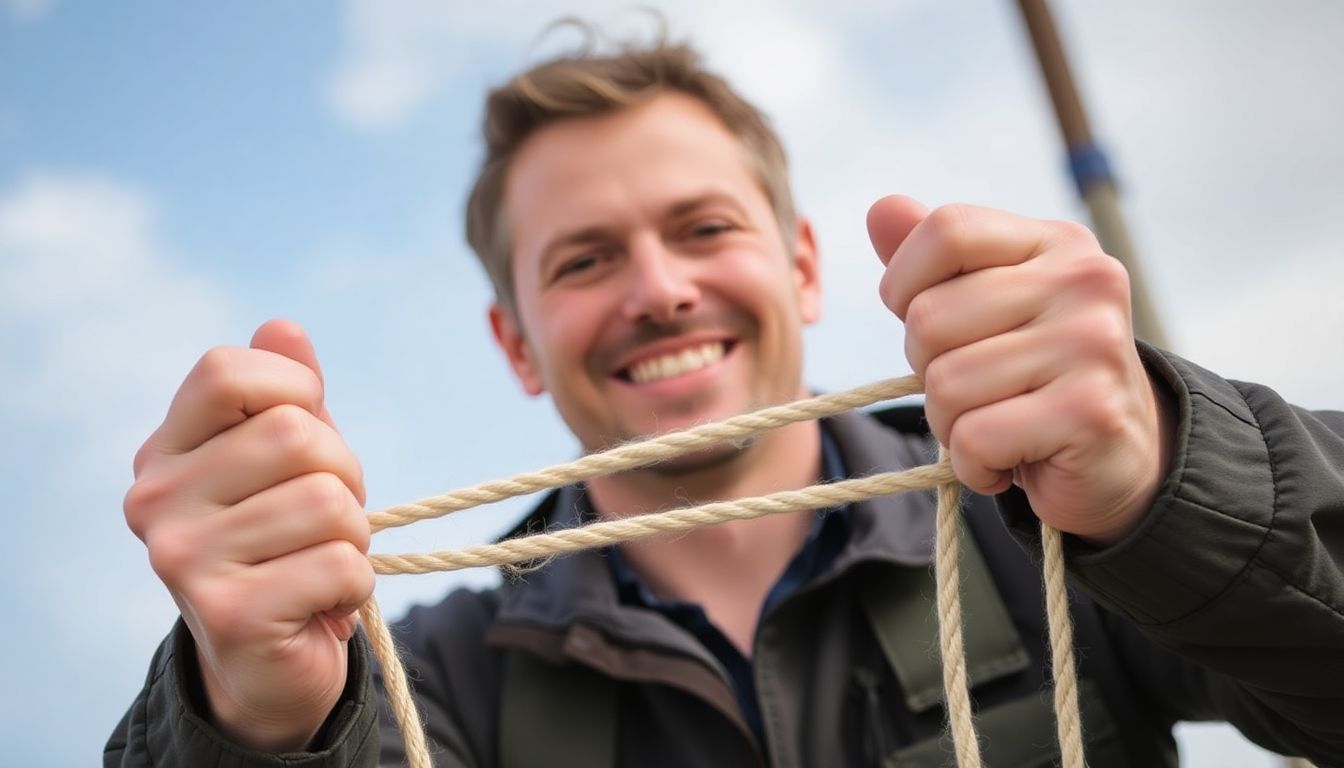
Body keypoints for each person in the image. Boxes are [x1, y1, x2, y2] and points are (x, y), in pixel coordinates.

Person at [106, 28, 1344, 768]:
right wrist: (253, 724)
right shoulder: (422, 679)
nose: (659, 290)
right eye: (584, 260)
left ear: (803, 268)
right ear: (518, 343)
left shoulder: (1049, 533)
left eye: (703, 227)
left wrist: (1173, 478)